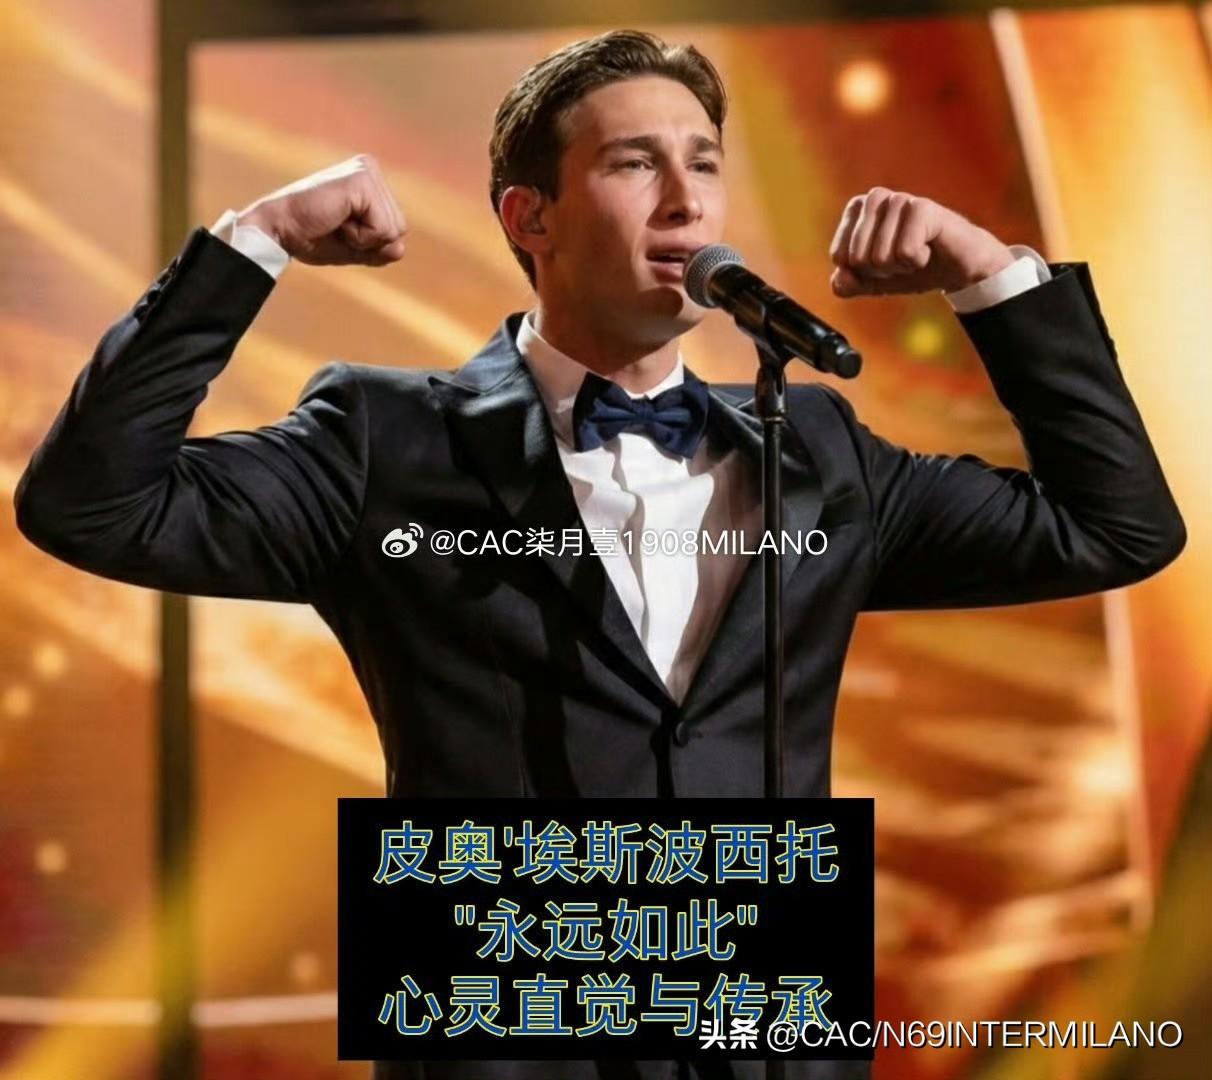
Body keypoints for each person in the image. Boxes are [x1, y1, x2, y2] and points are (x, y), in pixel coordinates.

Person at [12, 27, 1184, 1080]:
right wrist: (252, 245)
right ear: (530, 219)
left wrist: (993, 277)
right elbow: (91, 504)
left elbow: (1116, 525)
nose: (686, 198)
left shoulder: (817, 452)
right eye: (635, 164)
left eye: (705, 163)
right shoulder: (385, 442)